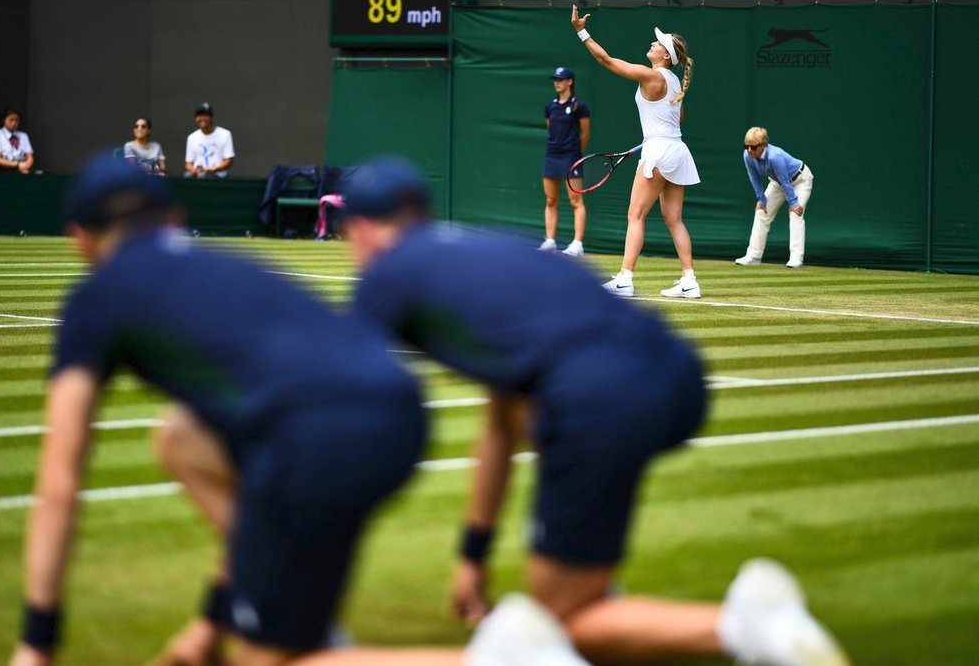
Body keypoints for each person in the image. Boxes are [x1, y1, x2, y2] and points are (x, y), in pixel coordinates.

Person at [8, 154, 586, 666]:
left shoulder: (95, 299)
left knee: (269, 659)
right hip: (398, 411)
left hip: (322, 434)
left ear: (79, 239)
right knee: (181, 437)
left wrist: (38, 640)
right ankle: (283, 605)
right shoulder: (224, 263)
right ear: (173, 220)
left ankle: (503, 659)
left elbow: (60, 481)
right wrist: (212, 622)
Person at [342, 156, 850, 666]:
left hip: (595, 397)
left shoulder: (388, 274)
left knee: (556, 624)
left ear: (360, 228)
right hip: (675, 373)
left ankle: (746, 627)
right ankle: (590, 575)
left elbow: (334, 398)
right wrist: (474, 555)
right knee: (542, 430)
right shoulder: (488, 247)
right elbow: (502, 424)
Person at [570, 6, 702, 299]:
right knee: (674, 219)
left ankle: (625, 279)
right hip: (677, 150)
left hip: (658, 151)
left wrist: (581, 30)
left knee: (636, 215)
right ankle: (689, 280)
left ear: (666, 55)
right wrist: (653, 137)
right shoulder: (675, 82)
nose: (652, 44)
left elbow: (605, 60)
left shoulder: (651, 76)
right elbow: (676, 121)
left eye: (658, 44)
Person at [735, 126, 814, 268]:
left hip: (800, 180)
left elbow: (786, 180)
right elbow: (754, 178)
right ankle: (753, 256)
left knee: (795, 214)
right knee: (761, 211)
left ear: (763, 145)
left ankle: (796, 258)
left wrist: (793, 203)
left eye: (753, 147)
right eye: (746, 146)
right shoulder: (747, 155)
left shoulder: (774, 156)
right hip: (777, 184)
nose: (749, 150)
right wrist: (761, 199)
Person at [539, 66, 591, 257]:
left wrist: (575, 152)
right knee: (551, 200)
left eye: (560, 79)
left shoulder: (579, 105)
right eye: (555, 79)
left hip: (572, 157)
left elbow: (585, 134)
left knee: (575, 200)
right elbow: (551, 129)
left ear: (570, 81)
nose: (557, 82)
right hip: (552, 155)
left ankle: (577, 244)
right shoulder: (550, 106)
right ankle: (550, 241)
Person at [185, 102, 234, 178]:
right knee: (188, 176)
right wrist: (194, 170)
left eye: (205, 116)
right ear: (196, 118)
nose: (202, 118)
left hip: (217, 175)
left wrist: (215, 169)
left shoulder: (225, 134)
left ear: (211, 117)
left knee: (203, 177)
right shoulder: (192, 137)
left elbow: (229, 160)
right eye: (200, 116)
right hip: (197, 174)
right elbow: (188, 163)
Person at [0, 107, 35, 173]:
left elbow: (30, 157)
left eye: (17, 121)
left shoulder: (23, 136)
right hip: (5, 170)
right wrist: (17, 165)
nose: (14, 123)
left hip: (23, 169)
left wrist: (26, 166)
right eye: (11, 120)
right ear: (4, 120)